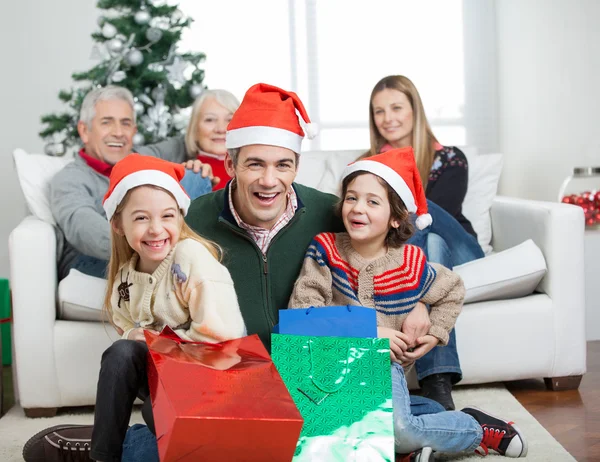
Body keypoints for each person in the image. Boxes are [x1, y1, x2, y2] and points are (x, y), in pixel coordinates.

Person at [21, 83, 441, 461]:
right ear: (230, 162)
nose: (269, 180)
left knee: (328, 447)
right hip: (223, 380)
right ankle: (117, 445)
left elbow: (406, 254)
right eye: (254, 164)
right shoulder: (192, 219)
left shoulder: (330, 211)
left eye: (283, 165)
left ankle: (122, 446)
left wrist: (419, 303)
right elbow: (140, 287)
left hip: (307, 375)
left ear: (297, 165)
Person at [289, 147, 528, 459]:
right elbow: (302, 312)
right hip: (331, 365)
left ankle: (475, 429)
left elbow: (452, 289)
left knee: (399, 432)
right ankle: (423, 432)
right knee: (317, 435)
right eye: (351, 197)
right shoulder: (325, 249)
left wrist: (435, 333)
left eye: (372, 202)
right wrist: (367, 332)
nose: (358, 208)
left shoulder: (411, 262)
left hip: (381, 367)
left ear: (395, 218)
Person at [23, 154, 246, 462]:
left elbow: (226, 340)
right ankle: (102, 455)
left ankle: (124, 443)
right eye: (141, 218)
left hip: (213, 387)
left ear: (180, 218)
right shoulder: (125, 278)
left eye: (167, 216)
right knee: (121, 354)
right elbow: (125, 326)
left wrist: (159, 343)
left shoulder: (190, 257)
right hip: (167, 389)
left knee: (175, 441)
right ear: (117, 224)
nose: (156, 229)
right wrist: (136, 336)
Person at [366, 75, 486, 410]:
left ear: (414, 110)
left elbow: (427, 218)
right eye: (379, 111)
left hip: (462, 251)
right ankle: (438, 383)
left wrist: (392, 185)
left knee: (419, 216)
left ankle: (411, 291)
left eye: (396, 108)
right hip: (427, 260)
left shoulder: (450, 158)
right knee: (429, 243)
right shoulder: (370, 165)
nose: (388, 118)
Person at [50, 85, 213, 281]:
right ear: (84, 131)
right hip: (96, 259)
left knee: (195, 176)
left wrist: (214, 133)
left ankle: (186, 267)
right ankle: (182, 268)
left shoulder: (144, 157)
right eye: (107, 122)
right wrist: (151, 246)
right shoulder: (70, 179)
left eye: (125, 123)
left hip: (159, 247)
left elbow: (188, 140)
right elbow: (85, 231)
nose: (118, 132)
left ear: (134, 130)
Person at [140, 89, 240, 190]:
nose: (221, 129)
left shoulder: (250, 172)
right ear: (194, 127)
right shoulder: (188, 172)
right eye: (210, 120)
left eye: (229, 119)